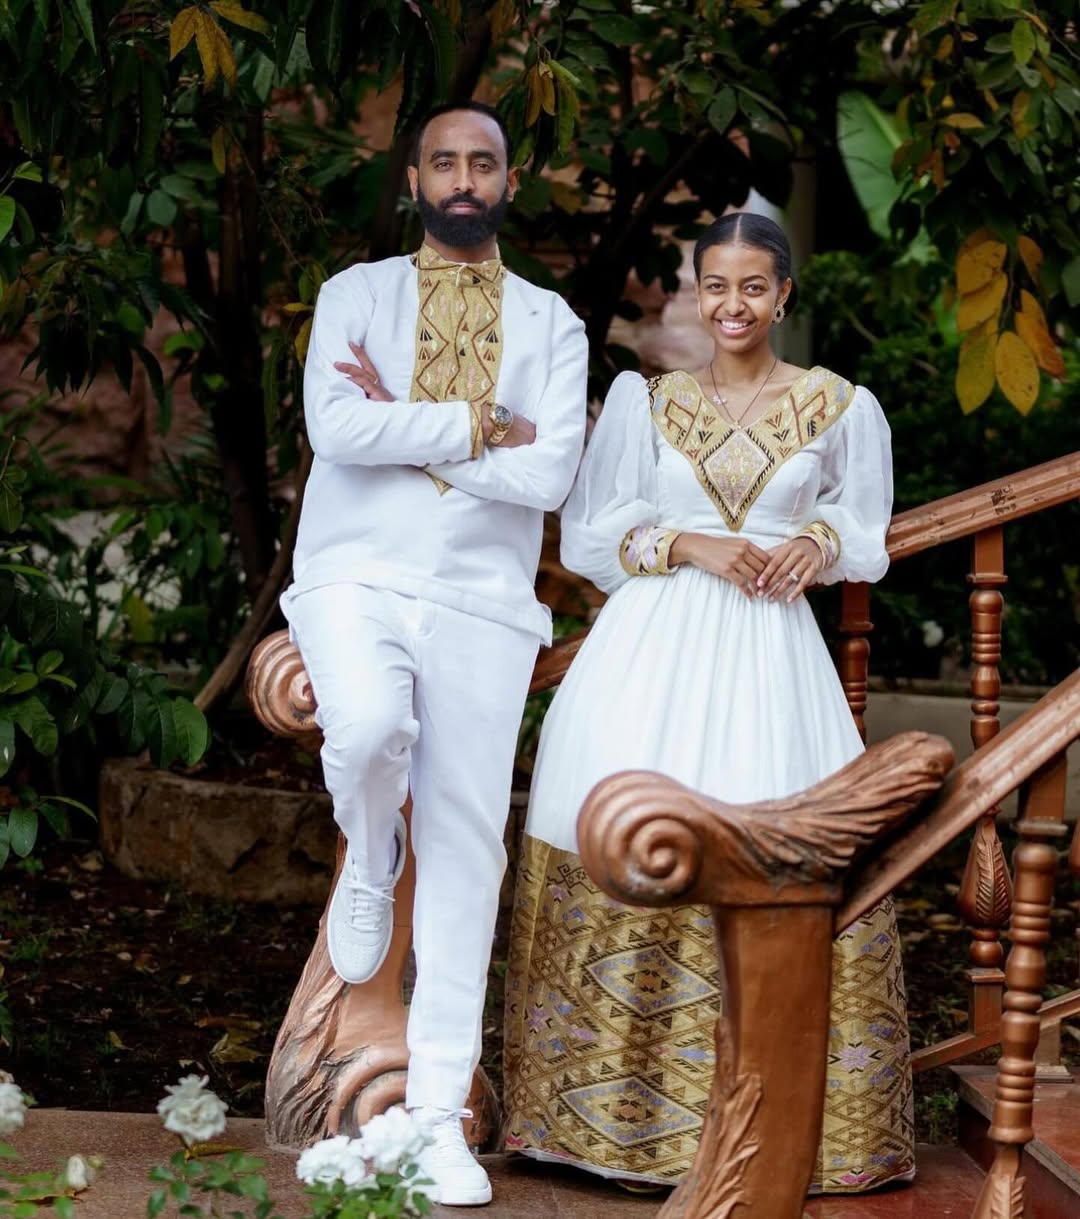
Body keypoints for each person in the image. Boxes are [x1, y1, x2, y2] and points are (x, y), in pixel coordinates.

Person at [502, 212, 913, 1194]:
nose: (734, 306)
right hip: (652, 652)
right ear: (698, 292)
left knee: (781, 838)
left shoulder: (837, 406)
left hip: (774, 662)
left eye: (754, 287)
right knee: (615, 820)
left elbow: (866, 525)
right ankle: (610, 1133)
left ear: (783, 296)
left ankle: (789, 1132)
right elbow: (597, 536)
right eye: (716, 287)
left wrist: (817, 537)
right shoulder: (649, 404)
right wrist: (692, 544)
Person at [282, 101, 588, 1206]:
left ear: (510, 181)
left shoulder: (553, 322)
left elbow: (550, 477)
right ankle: (369, 855)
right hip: (356, 577)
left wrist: (407, 422)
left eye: (485, 161)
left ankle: (436, 1116)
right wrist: (478, 426)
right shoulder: (352, 296)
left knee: (467, 846)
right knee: (363, 730)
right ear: (413, 179)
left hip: (485, 603)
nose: (465, 177)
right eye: (445, 161)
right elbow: (336, 430)